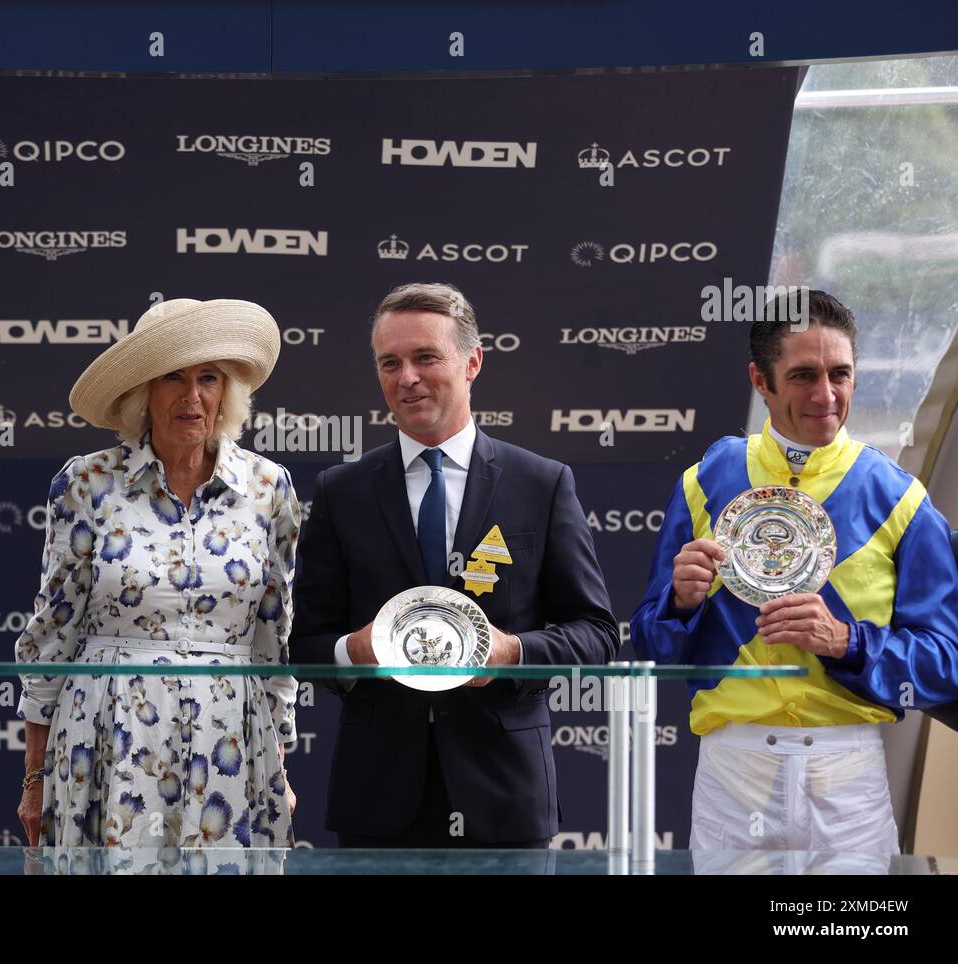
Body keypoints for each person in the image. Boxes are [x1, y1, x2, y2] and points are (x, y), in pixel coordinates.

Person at [630, 289, 958, 857]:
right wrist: (679, 605)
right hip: (734, 770)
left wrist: (844, 641)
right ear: (761, 381)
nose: (826, 395)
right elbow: (650, 646)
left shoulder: (902, 497)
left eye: (841, 374)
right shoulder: (706, 480)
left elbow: (945, 663)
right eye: (804, 374)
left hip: (847, 770)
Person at [290, 282, 619, 848]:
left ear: (473, 363)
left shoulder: (541, 483)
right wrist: (353, 651)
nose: (406, 377)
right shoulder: (341, 492)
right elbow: (305, 644)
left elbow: (596, 633)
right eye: (389, 363)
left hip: (504, 799)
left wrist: (513, 653)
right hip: (378, 802)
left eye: (425, 357)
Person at [15, 298, 299, 852]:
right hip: (106, 734)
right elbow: (52, 634)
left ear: (227, 393)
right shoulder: (88, 482)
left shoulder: (269, 488)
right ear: (144, 392)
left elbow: (274, 638)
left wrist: (279, 763)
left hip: (232, 740)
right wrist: (33, 776)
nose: (191, 396)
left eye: (208, 378)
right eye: (172, 377)